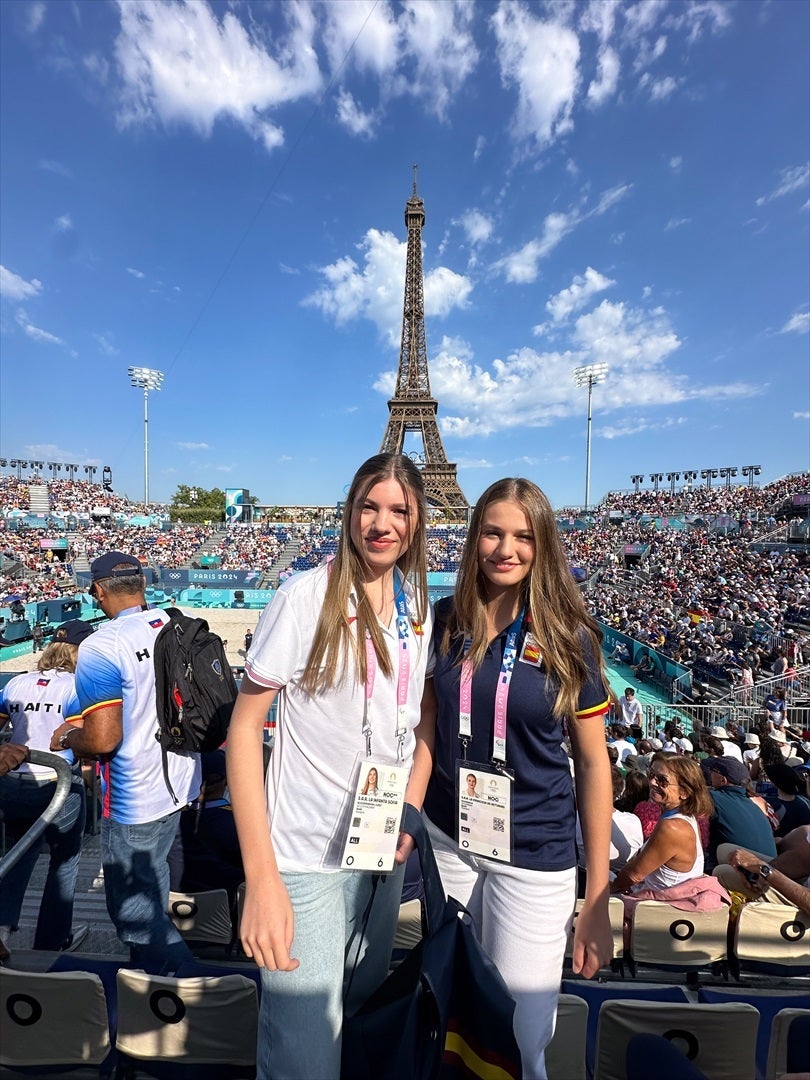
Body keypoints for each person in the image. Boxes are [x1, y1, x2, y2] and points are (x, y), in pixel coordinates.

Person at [227, 454, 432, 1080]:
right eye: (369, 506)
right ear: (349, 510)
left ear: (418, 519)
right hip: (306, 862)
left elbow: (417, 723)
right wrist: (262, 881)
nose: (382, 523)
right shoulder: (303, 599)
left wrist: (412, 810)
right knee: (305, 1061)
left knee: (357, 1027)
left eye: (399, 510)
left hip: (377, 855)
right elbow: (241, 732)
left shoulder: (415, 601)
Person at [422, 477, 613, 1079]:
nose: (507, 548)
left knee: (519, 1038)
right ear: (474, 537)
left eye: (524, 537)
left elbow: (592, 763)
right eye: (493, 532)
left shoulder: (568, 637)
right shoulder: (445, 621)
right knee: (446, 1015)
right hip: (449, 841)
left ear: (543, 545)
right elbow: (427, 730)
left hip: (533, 855)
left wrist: (598, 895)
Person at [49, 552, 201, 974]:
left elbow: (103, 738)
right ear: (143, 584)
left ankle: (202, 996)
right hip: (181, 781)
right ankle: (154, 994)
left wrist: (69, 737)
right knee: (154, 895)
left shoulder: (102, 644)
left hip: (135, 796)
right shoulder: (178, 618)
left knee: (136, 919)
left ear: (97, 590)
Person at [0, 620, 94, 959]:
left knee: (16, 857)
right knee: (64, 861)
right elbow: (82, 739)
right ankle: (52, 941)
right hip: (59, 784)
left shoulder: (17, 682)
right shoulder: (77, 687)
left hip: (14, 781)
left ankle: (3, 930)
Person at [610, 753, 712, 896]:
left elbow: (634, 875)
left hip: (659, 906)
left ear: (684, 792)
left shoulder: (672, 827)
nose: (652, 782)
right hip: (665, 899)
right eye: (651, 774)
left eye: (662, 780)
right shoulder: (687, 817)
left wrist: (609, 890)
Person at [167, 749, 244, 901]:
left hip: (173, 905)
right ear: (225, 780)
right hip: (223, 909)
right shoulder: (237, 824)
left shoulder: (170, 822)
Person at [702, 756, 777, 870]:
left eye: (712, 771)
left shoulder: (714, 798)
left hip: (746, 872)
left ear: (723, 780)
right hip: (770, 870)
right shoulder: (754, 805)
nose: (709, 773)